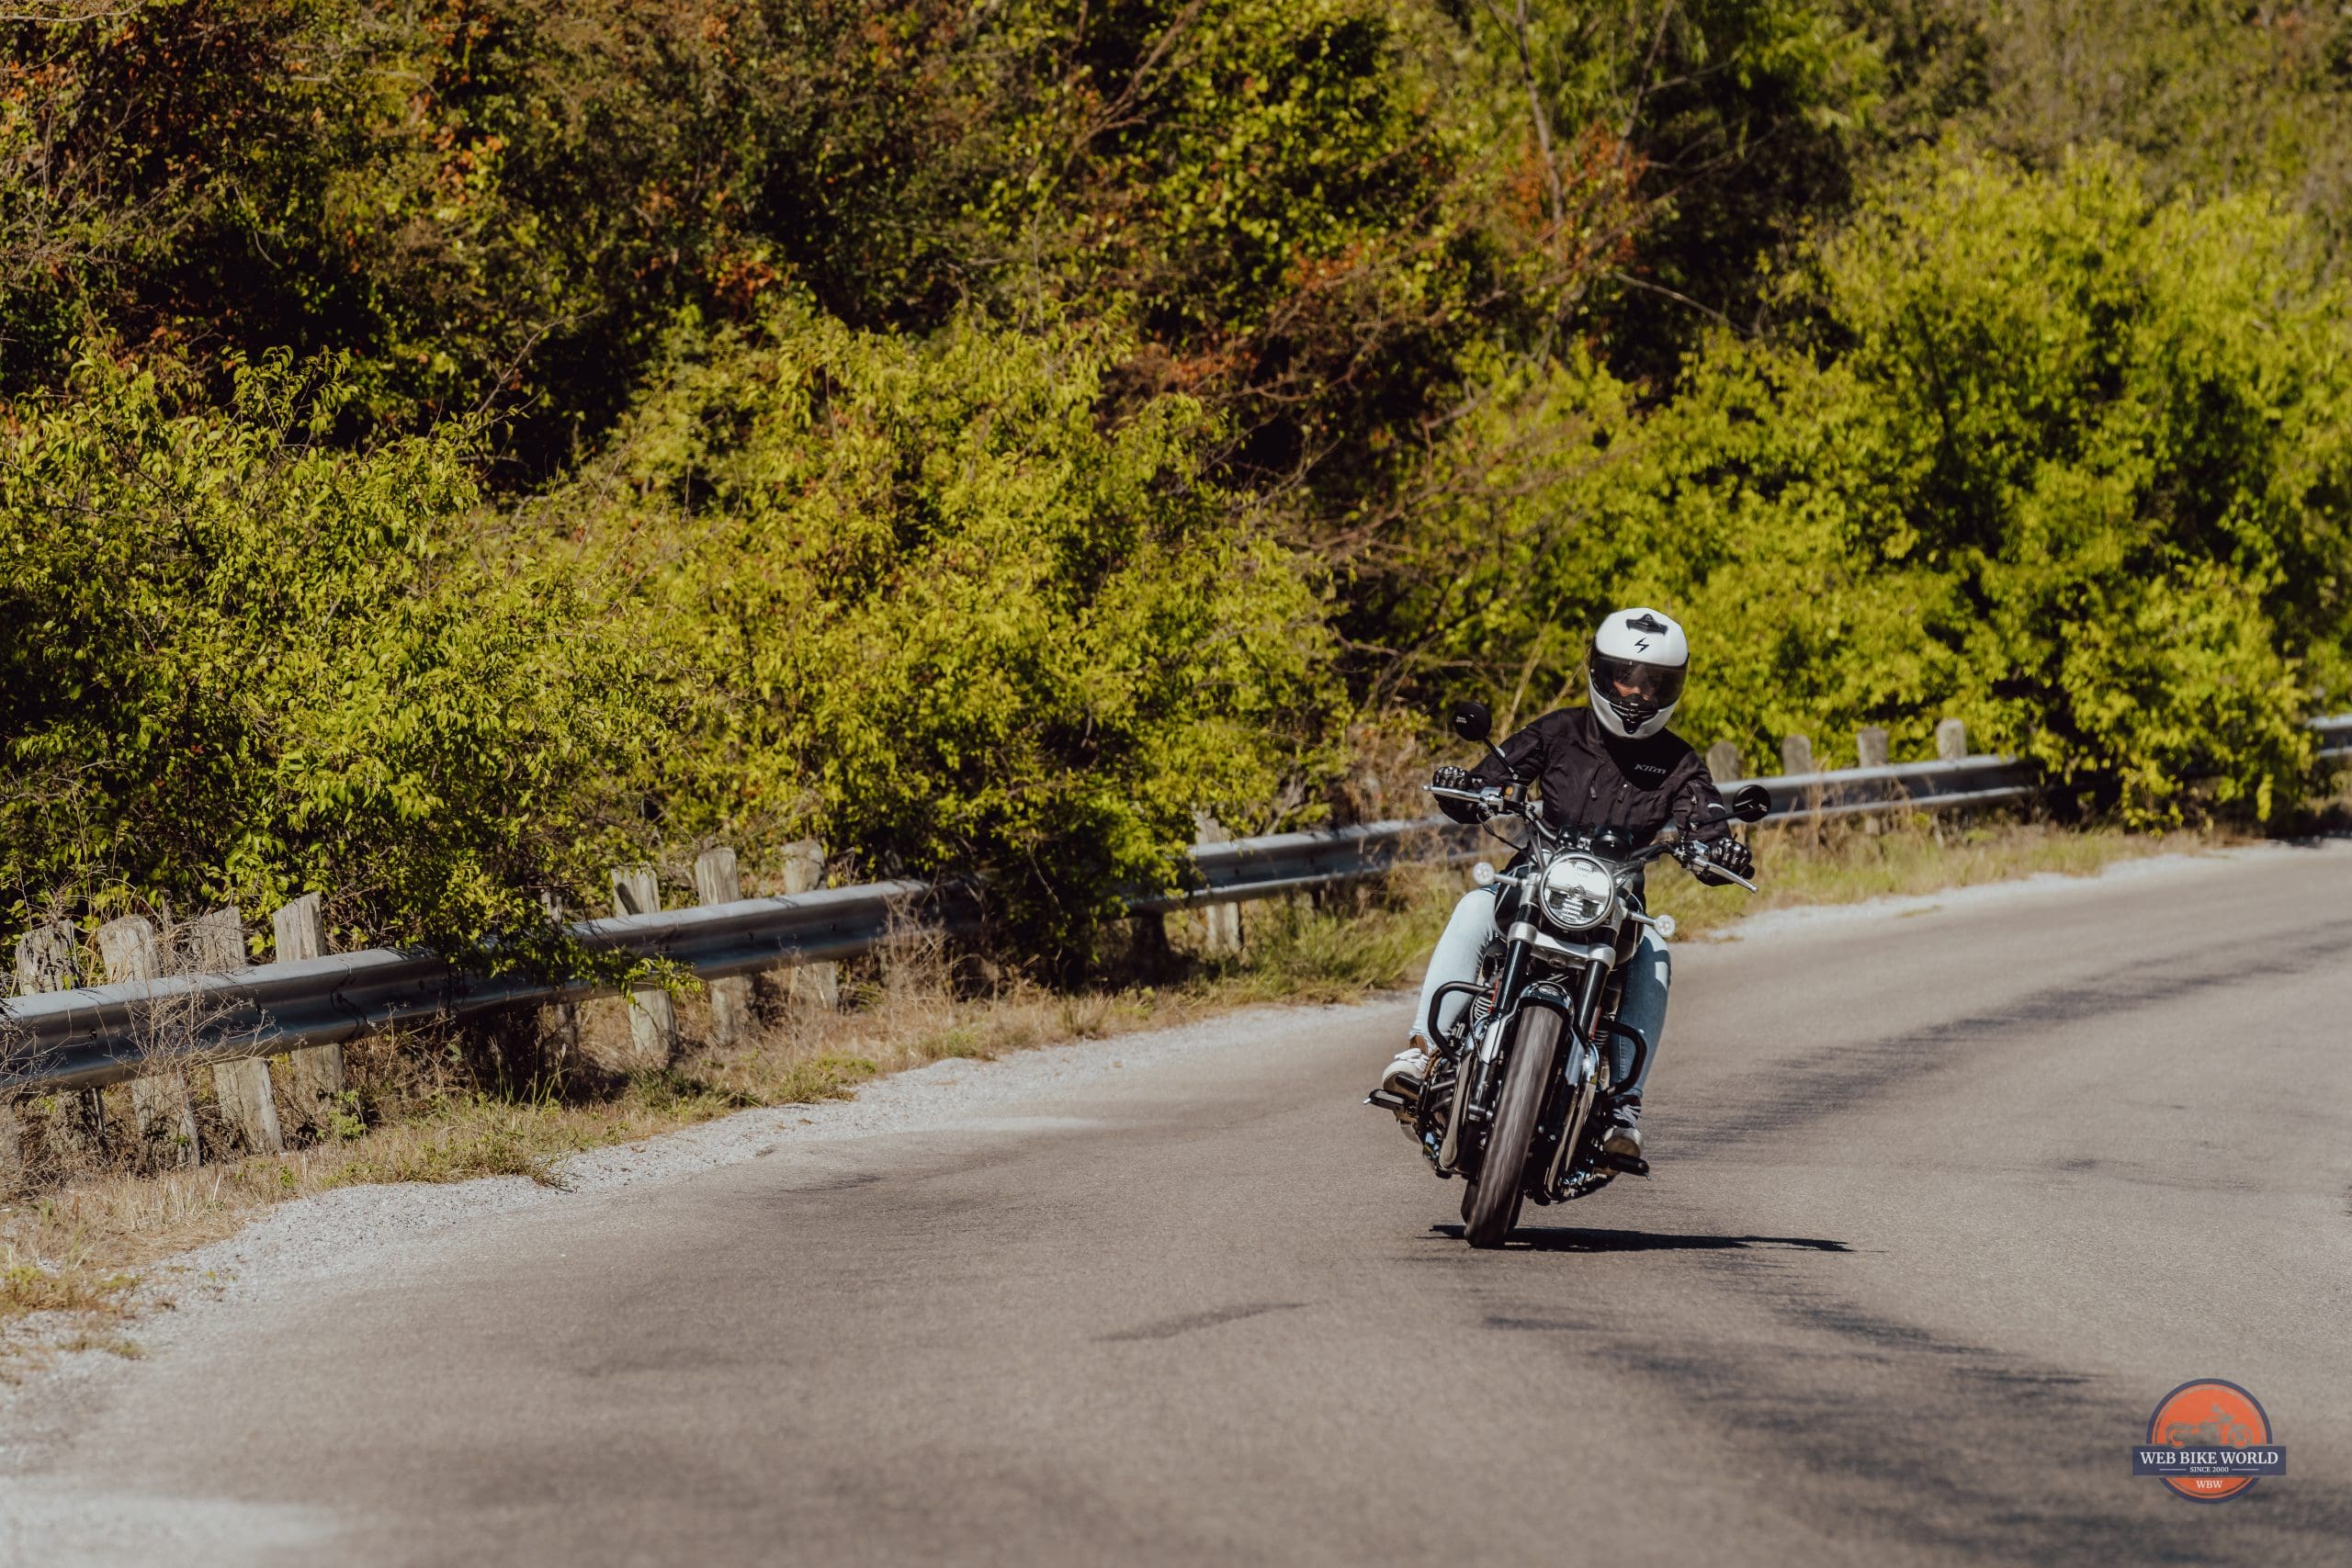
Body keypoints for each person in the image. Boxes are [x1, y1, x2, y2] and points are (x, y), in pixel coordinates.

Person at [1376, 606, 1753, 1161]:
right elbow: (1493, 778)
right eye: (1625, 677)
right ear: (1600, 672)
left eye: (1654, 685)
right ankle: (1423, 1051)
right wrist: (1468, 788)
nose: (1636, 694)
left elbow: (1706, 820)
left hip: (1616, 904)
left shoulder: (1680, 763)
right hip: (1533, 882)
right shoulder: (1557, 731)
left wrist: (1719, 850)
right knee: (1475, 909)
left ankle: (1624, 1103)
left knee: (1655, 955)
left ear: (1674, 688)